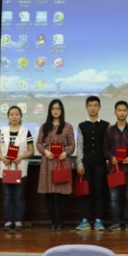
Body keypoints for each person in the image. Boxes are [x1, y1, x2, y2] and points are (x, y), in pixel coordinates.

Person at [36, 98, 76, 230]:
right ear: (50, 111)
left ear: (62, 110)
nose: (56, 111)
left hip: (62, 162)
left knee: (62, 194)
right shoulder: (44, 126)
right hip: (48, 162)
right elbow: (38, 144)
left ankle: (60, 222)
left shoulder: (68, 126)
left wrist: (66, 153)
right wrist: (45, 151)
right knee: (49, 194)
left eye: (58, 109)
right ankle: (53, 222)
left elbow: (72, 145)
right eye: (53, 109)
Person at [0, 105, 34, 231]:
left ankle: (18, 220)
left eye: (17, 114)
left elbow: (31, 151)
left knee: (18, 196)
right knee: (7, 196)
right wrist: (2, 158)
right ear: (8, 116)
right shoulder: (2, 131)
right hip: (6, 167)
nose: (14, 117)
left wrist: (21, 157)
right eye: (11, 114)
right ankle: (8, 220)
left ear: (21, 116)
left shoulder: (26, 131)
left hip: (20, 168)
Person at [104, 100, 128, 231]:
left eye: (124, 110)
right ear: (115, 112)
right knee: (114, 198)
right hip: (114, 169)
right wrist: (111, 158)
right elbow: (105, 149)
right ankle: (115, 224)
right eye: (119, 110)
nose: (121, 113)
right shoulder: (109, 130)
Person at [75, 96, 109, 231]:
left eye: (95, 105)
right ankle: (85, 220)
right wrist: (79, 163)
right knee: (86, 192)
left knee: (99, 191)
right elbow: (79, 145)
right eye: (90, 105)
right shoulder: (82, 126)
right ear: (86, 108)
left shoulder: (106, 125)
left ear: (99, 107)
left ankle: (99, 220)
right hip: (86, 164)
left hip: (101, 164)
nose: (93, 108)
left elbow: (107, 145)